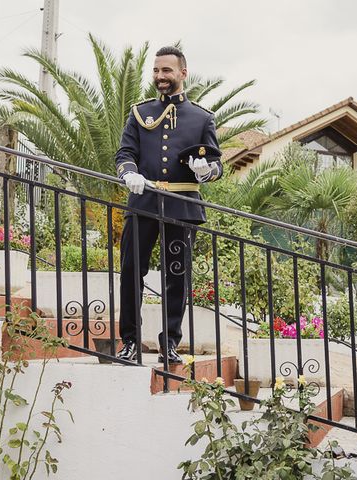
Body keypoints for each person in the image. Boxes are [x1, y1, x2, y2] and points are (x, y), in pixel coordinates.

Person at [114, 46, 222, 363]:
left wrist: (206, 171)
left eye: (167, 71)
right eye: (157, 71)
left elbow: (216, 164)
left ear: (182, 73)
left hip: (181, 205)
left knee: (177, 277)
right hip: (144, 202)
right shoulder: (139, 113)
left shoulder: (202, 118)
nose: (161, 77)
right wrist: (129, 173)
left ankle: (170, 343)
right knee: (131, 272)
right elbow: (125, 154)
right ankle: (130, 342)